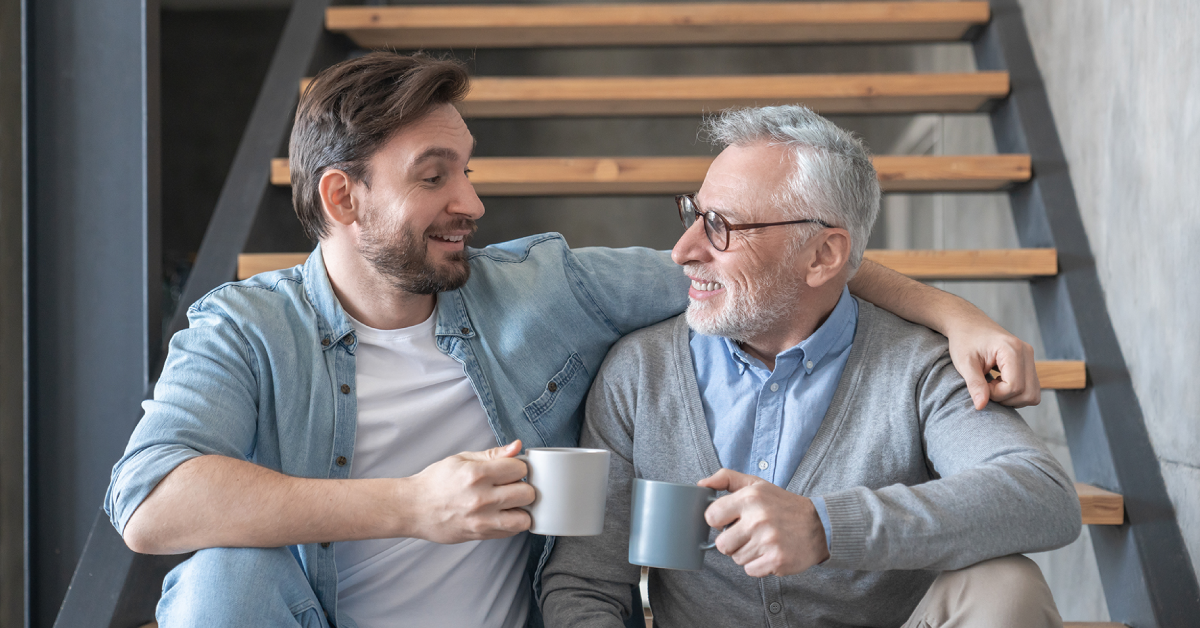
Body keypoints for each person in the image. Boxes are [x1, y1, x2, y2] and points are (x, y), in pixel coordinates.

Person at [105, 53, 1044, 628]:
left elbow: (743, 272)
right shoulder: (246, 328)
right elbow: (148, 502)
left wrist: (949, 313)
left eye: (468, 169)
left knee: (1004, 583)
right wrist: (413, 505)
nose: (473, 202)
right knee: (225, 579)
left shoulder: (545, 287)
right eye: (438, 177)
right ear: (344, 199)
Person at [540, 105, 1081, 628]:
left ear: (823, 255)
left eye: (722, 225)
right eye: (693, 214)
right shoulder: (639, 373)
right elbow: (584, 584)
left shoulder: (918, 368)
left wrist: (824, 528)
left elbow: (1041, 493)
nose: (683, 250)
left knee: (1010, 586)